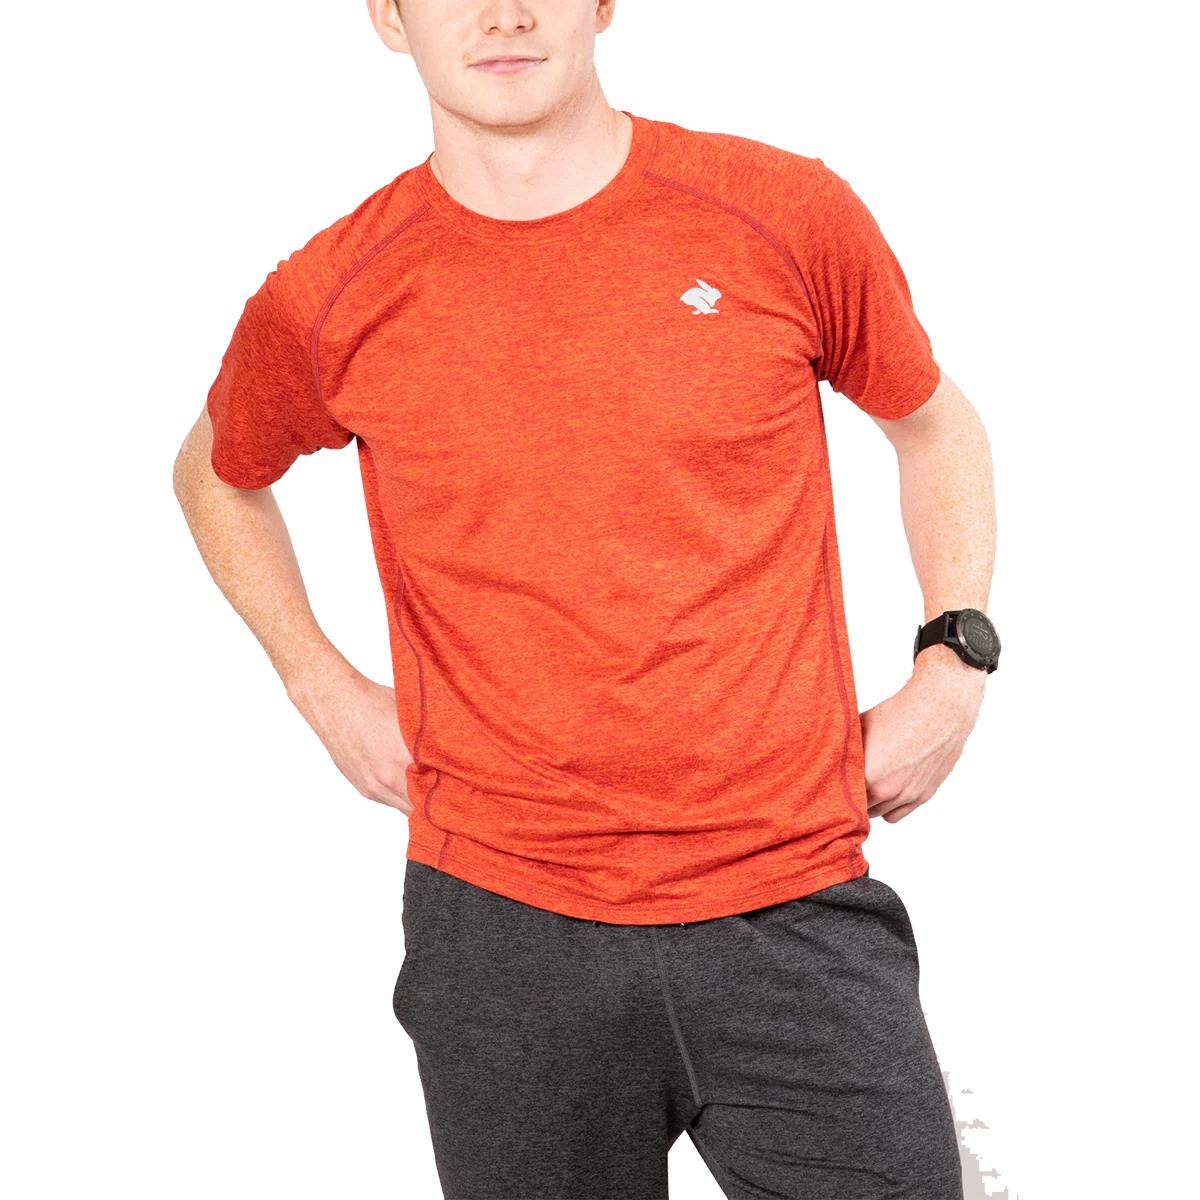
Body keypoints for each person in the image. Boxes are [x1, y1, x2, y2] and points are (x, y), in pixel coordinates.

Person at [174, 1, 997, 1196]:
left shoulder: (782, 214)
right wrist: (319, 681)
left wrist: (952, 663)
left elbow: (930, 424)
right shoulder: (333, 290)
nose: (503, 13)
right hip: (504, 921)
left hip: (792, 889)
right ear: (388, 19)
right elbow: (215, 474)